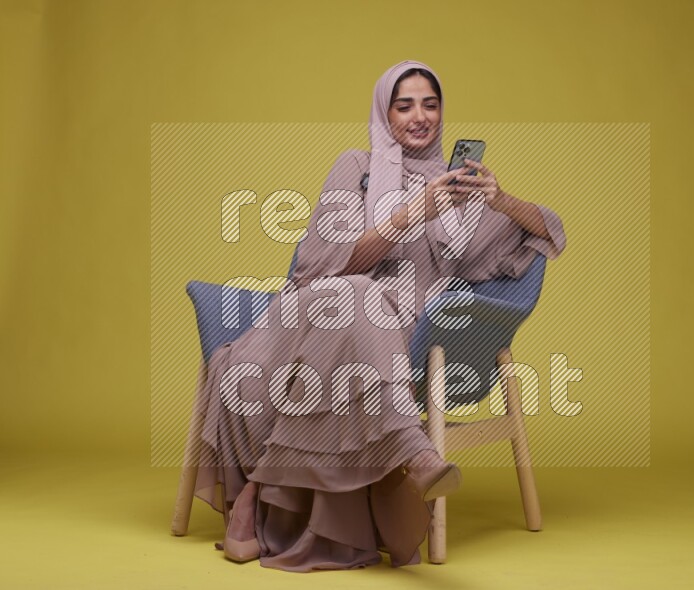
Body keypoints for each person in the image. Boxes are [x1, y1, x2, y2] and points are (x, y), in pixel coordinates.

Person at [191, 59, 567, 572]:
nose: (420, 117)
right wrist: (410, 215)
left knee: (358, 320)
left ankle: (254, 496)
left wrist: (500, 199)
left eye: (430, 105)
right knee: (354, 295)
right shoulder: (356, 167)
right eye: (404, 106)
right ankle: (415, 454)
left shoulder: (458, 191)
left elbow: (549, 230)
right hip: (314, 309)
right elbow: (321, 266)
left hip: (393, 333)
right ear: (384, 114)